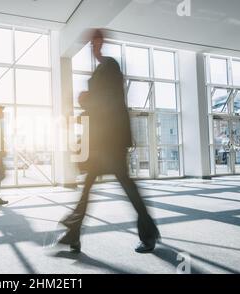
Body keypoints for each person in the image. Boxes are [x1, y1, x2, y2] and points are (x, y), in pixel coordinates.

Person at [56, 29, 160, 253]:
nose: (93, 49)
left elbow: (109, 102)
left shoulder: (110, 66)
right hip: (101, 140)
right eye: (91, 45)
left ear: (101, 42)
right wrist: (85, 106)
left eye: (95, 44)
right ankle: (74, 234)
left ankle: (149, 233)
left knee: (127, 186)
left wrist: (87, 99)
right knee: (90, 187)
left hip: (110, 140)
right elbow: (100, 106)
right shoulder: (102, 70)